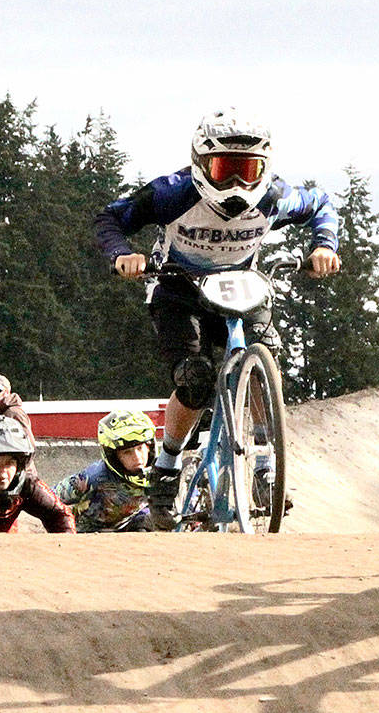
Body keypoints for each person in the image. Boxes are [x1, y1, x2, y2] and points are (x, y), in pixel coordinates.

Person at [95, 108, 341, 529]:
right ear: (200, 163)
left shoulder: (275, 198)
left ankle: (266, 465)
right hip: (178, 289)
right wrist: (123, 254)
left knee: (266, 360)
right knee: (194, 379)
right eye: (226, 169)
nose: (237, 184)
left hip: (242, 286)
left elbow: (322, 205)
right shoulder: (171, 193)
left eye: (249, 171)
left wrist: (324, 245)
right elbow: (110, 217)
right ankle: (167, 467)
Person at [52, 409, 157, 532]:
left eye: (140, 448)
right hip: (83, 536)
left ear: (150, 448)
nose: (137, 457)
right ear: (115, 457)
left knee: (149, 518)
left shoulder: (160, 474)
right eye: (127, 452)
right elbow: (49, 497)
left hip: (128, 530)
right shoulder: (93, 477)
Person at [0, 373, 40, 482]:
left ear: (7, 392)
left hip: (21, 479)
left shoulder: (14, 413)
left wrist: (20, 474)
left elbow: (29, 446)